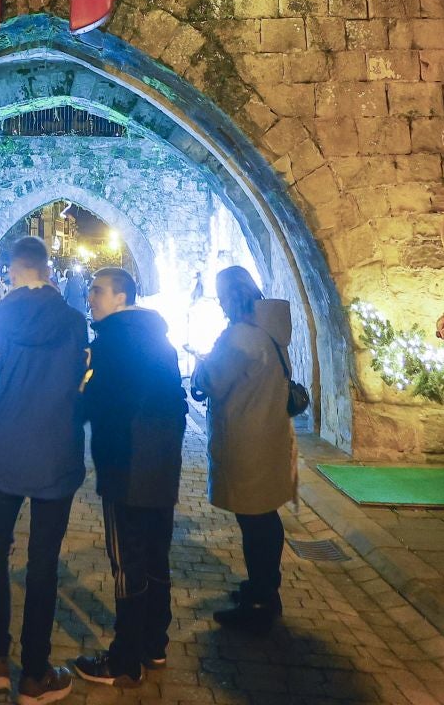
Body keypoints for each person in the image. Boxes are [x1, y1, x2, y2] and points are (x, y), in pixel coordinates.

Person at [0, 234, 88, 704]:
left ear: (13, 271)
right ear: (48, 271)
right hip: (57, 455)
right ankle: (34, 674)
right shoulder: (74, 322)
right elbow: (85, 385)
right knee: (43, 564)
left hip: (5, 455)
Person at [74, 267, 186, 689]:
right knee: (156, 556)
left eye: (98, 291)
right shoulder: (160, 339)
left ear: (122, 297)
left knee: (127, 562)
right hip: (161, 466)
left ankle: (123, 659)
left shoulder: (111, 341)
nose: (91, 298)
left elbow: (93, 402)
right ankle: (154, 644)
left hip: (126, 464)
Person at [190, 265, 297, 634]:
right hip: (269, 434)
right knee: (265, 516)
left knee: (255, 521)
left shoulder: (240, 336)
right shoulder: (270, 330)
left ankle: (260, 601)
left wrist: (201, 364)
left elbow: (213, 380)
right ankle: (264, 588)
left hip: (246, 437)